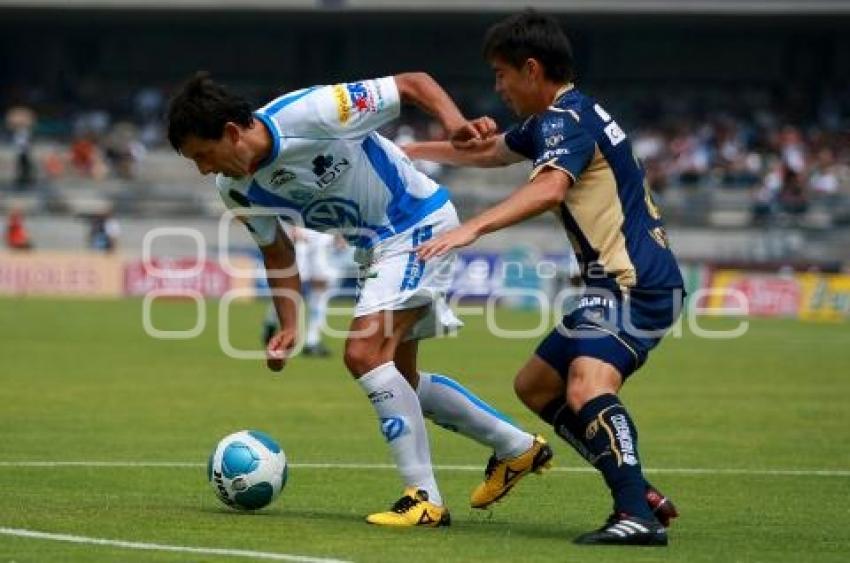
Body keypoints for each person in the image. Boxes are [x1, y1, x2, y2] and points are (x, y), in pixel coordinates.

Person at [167, 71, 553, 527]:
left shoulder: (310, 112)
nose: (204, 169)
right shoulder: (234, 188)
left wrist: (453, 123)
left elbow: (413, 84)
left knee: (363, 353)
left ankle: (423, 499)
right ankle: (516, 447)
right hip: (375, 246)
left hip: (417, 223)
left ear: (232, 132)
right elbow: (277, 250)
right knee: (401, 378)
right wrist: (289, 324)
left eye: (204, 155)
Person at [408, 10, 684, 546]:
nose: (498, 87)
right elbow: (490, 150)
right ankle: (637, 489)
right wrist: (410, 152)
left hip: (634, 283)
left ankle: (637, 515)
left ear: (531, 69)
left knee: (586, 385)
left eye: (501, 74)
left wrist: (474, 227)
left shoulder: (565, 121)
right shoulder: (560, 118)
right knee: (535, 386)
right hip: (618, 283)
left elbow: (550, 189)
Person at [262, 226, 346, 357]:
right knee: (291, 288)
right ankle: (271, 321)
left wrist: (340, 235)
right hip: (302, 238)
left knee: (321, 289)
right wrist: (292, 226)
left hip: (323, 238)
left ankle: (312, 341)